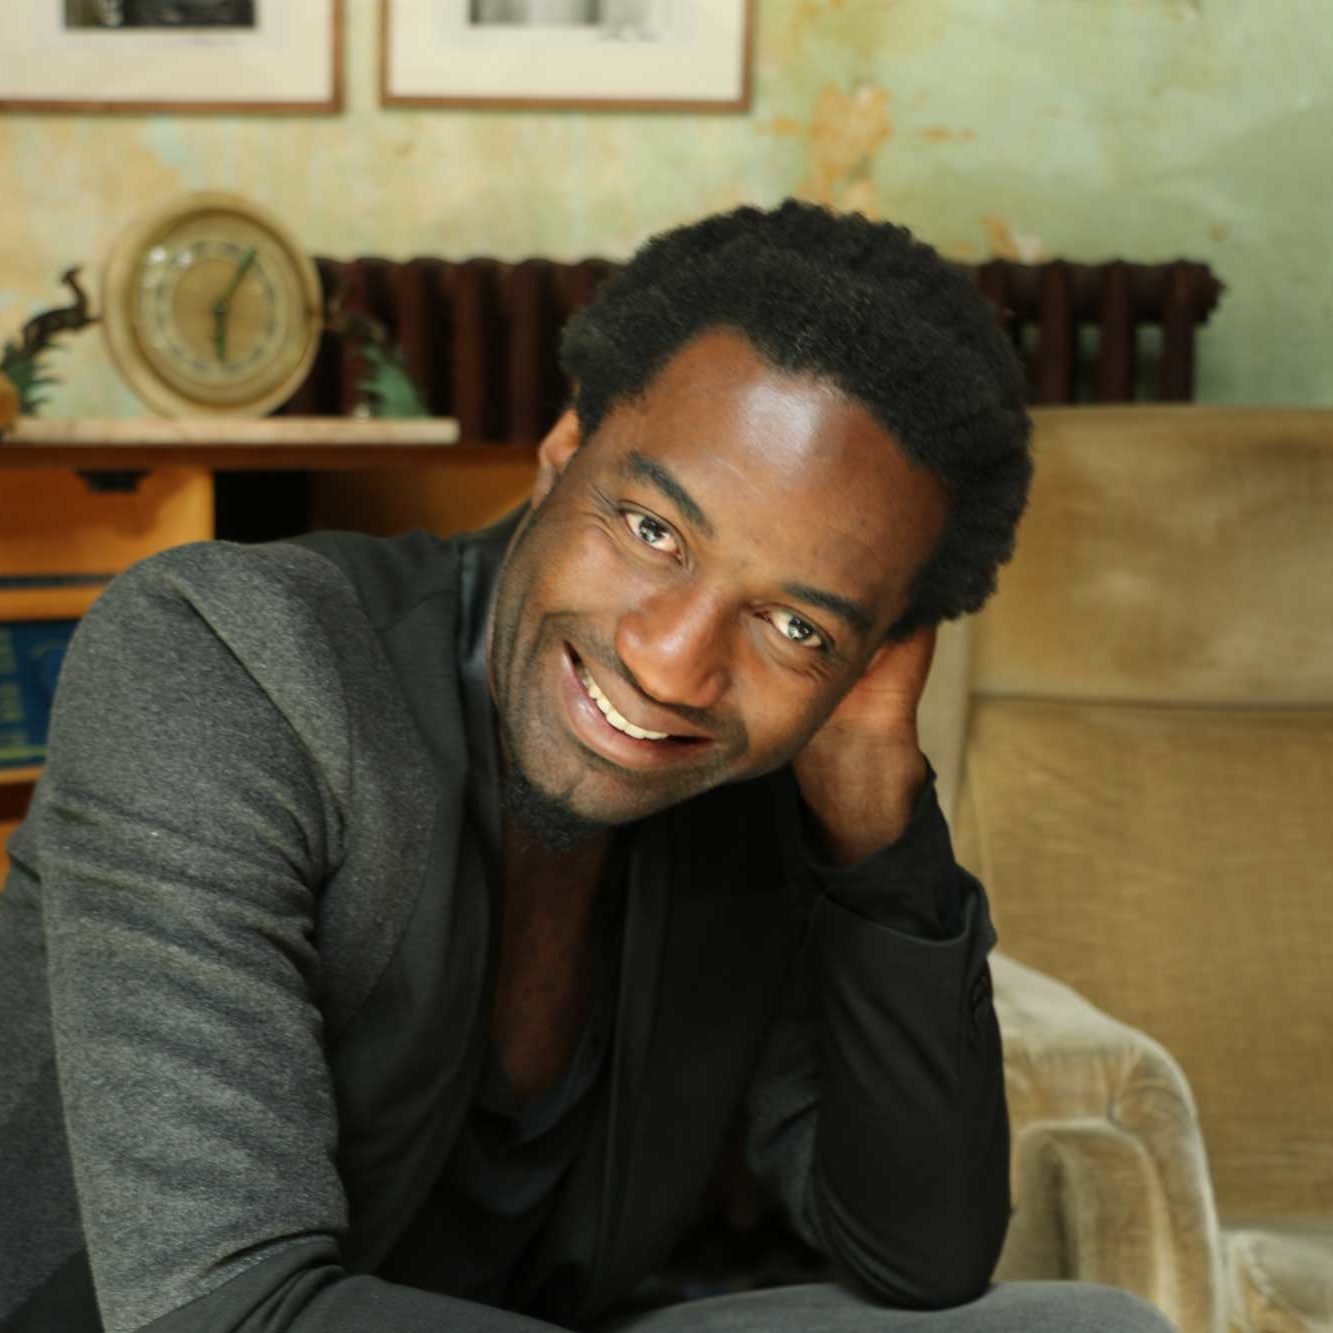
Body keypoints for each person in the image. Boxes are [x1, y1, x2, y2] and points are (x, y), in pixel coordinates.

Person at [0, 201, 1173, 1333]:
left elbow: (920, 1252)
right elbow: (219, 1308)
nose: (671, 664)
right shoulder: (226, 659)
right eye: (653, 530)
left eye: (796, 625)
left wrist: (877, 815)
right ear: (561, 458)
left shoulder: (752, 784)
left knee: (1096, 1327)